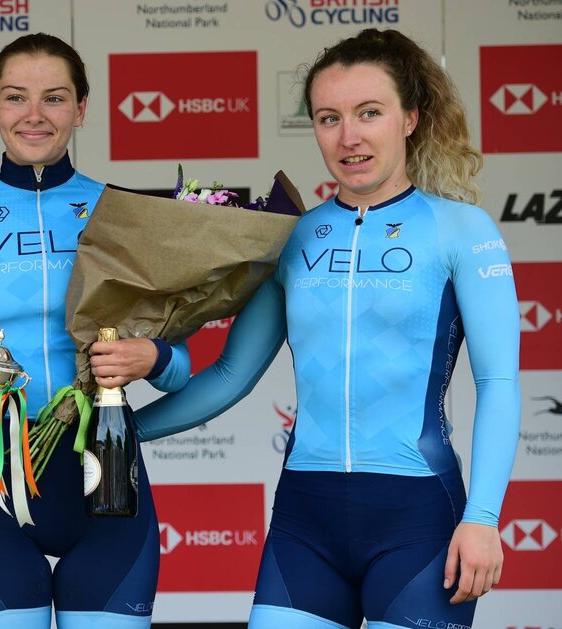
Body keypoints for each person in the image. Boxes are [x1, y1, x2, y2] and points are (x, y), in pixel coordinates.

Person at [136, 28, 520, 629]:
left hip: (418, 518)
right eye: (328, 117)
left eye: (370, 113)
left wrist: (484, 517)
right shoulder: (292, 237)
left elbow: (498, 383)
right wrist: (116, 433)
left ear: (411, 117)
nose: (349, 137)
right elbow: (234, 374)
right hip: (304, 520)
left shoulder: (461, 231)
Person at [0, 33, 190, 629]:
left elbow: (178, 366)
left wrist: (150, 357)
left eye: (54, 98)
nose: (34, 115)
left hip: (106, 475)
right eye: (16, 98)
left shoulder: (125, 215)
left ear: (81, 108)